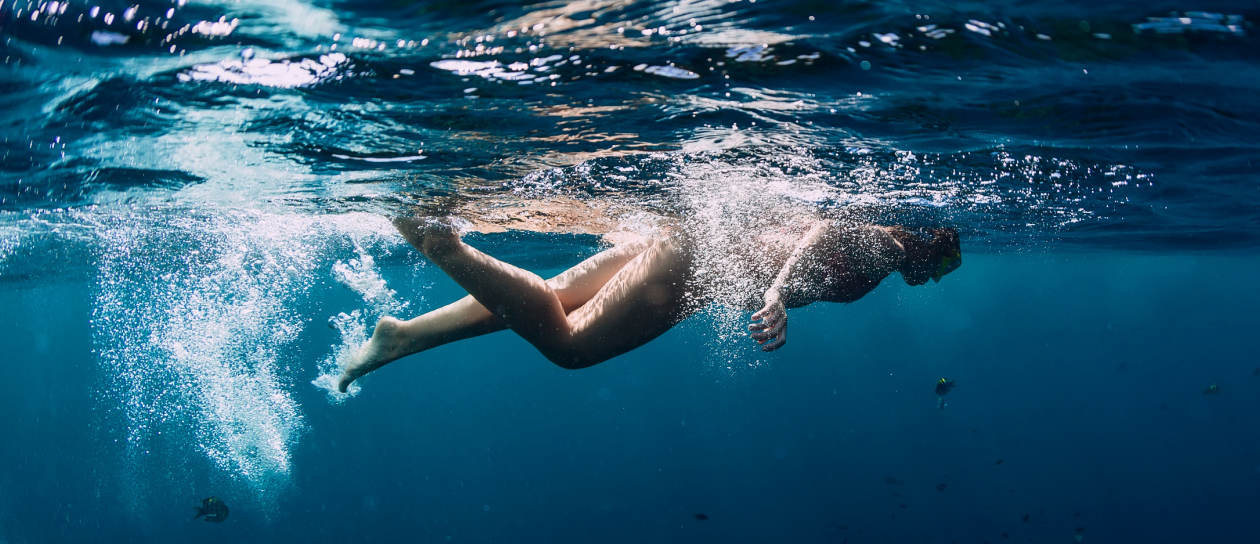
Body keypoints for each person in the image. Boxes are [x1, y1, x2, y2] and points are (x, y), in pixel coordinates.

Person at [336, 216, 961, 392]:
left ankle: (403, 336)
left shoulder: (883, 261)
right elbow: (821, 231)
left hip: (690, 253)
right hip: (689, 269)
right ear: (928, 249)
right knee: (572, 345)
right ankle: (442, 247)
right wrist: (775, 292)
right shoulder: (885, 250)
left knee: (550, 300)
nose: (936, 280)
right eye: (944, 266)